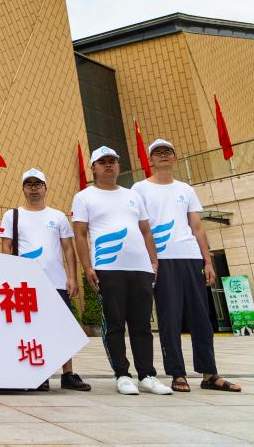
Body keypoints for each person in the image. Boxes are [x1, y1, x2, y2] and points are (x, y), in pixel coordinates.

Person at [133, 138, 241, 392]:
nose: (163, 155)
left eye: (167, 152)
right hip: (161, 259)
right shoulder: (139, 189)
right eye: (157, 152)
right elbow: (139, 227)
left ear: (174, 157)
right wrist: (148, 260)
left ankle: (209, 374)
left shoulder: (186, 189)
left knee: (201, 318)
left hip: (191, 257)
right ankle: (177, 373)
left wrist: (207, 259)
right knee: (170, 317)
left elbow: (197, 226)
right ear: (150, 160)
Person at [72, 145, 172, 395]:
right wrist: (87, 267)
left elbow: (146, 231)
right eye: (102, 161)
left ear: (118, 165)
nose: (108, 165)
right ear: (93, 168)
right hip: (108, 268)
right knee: (114, 324)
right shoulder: (84, 197)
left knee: (142, 325)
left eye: (112, 161)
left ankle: (147, 375)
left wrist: (153, 262)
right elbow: (80, 235)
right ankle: (122, 375)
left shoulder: (133, 195)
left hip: (141, 268)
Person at [0, 168, 90, 392]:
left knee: (61, 328)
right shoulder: (12, 215)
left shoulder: (57, 216)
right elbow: (6, 246)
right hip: (26, 284)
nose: (34, 189)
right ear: (23, 189)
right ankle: (39, 373)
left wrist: (72, 277)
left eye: (38, 184)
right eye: (29, 185)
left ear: (45, 188)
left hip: (56, 282)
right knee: (32, 329)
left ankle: (68, 374)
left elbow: (68, 249)